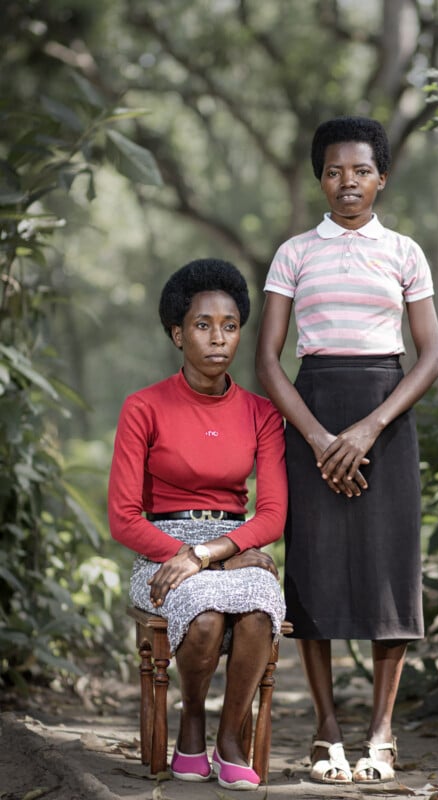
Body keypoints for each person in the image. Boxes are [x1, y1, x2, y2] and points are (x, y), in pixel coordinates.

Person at [255, 116, 438, 785]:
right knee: (318, 569)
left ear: (382, 177)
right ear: (320, 178)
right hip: (313, 415)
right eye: (334, 171)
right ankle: (326, 729)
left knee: (388, 570)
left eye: (361, 170)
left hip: (386, 418)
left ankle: (382, 733)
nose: (347, 182)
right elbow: (269, 362)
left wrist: (367, 429)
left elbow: (430, 356)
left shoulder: (404, 253)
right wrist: (317, 437)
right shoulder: (294, 253)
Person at [108, 258, 287, 791]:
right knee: (204, 614)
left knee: (259, 605)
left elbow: (273, 513)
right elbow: (122, 517)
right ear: (176, 333)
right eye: (202, 325)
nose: (218, 338)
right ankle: (191, 725)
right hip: (160, 550)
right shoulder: (143, 407)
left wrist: (213, 553)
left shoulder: (261, 412)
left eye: (230, 326)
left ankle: (228, 739)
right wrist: (185, 555)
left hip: (231, 545)